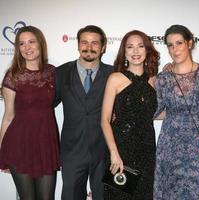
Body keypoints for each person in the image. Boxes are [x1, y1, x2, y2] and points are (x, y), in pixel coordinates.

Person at [153, 25, 199, 200]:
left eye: (179, 43)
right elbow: (153, 112)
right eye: (170, 45)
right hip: (171, 145)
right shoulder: (163, 79)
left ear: (189, 43)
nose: (174, 49)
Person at [0, 26, 60, 200]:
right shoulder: (12, 76)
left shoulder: (52, 72)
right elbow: (8, 116)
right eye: (22, 44)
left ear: (40, 43)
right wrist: (2, 151)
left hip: (45, 145)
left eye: (31, 42)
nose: (27, 47)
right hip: (19, 145)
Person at [55, 25, 114, 200]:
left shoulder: (114, 74)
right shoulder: (61, 72)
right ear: (78, 44)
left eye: (95, 43)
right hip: (72, 151)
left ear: (103, 47)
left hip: (104, 153)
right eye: (85, 42)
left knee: (106, 196)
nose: (89, 47)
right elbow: (44, 105)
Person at [101, 30, 159, 200]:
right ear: (124, 52)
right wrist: (114, 153)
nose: (135, 51)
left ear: (147, 50)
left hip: (147, 150)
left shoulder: (154, 80)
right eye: (130, 47)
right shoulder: (115, 78)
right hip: (121, 149)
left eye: (140, 46)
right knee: (119, 196)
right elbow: (105, 120)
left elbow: (153, 113)